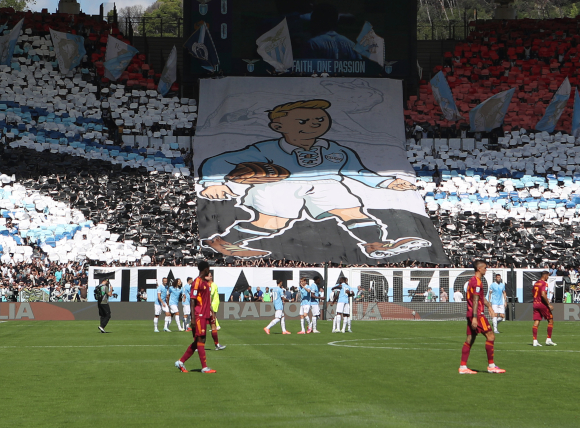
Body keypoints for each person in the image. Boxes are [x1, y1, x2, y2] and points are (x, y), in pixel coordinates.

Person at [198, 100, 426, 260]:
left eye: (319, 118)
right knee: (273, 222)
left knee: (352, 211)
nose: (314, 123)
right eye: (303, 121)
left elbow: (357, 171)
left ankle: (376, 244)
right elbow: (217, 162)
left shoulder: (335, 149)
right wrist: (214, 183)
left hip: (327, 182)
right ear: (278, 127)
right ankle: (221, 242)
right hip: (281, 183)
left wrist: (387, 183)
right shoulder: (264, 149)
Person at [459, 260, 504, 374]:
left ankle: (463, 367)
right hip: (477, 314)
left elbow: (480, 298)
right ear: (479, 269)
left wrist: (489, 306)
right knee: (491, 336)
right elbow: (475, 300)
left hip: (471, 313)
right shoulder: (477, 282)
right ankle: (491, 365)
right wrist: (475, 317)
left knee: (470, 339)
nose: (486, 269)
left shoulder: (471, 281)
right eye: (484, 267)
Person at [175, 262, 216, 374]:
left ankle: (181, 362)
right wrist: (193, 318)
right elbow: (192, 300)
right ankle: (204, 367)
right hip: (199, 316)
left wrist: (211, 312)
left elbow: (206, 300)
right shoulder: (197, 282)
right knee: (201, 340)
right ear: (206, 269)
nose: (209, 271)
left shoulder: (205, 283)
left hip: (204, 315)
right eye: (209, 269)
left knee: (199, 341)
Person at [531, 270, 555, 347]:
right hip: (542, 304)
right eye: (548, 276)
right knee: (550, 320)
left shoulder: (536, 283)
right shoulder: (544, 283)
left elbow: (533, 292)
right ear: (545, 275)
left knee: (536, 322)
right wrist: (548, 304)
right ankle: (548, 339)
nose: (548, 277)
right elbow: (543, 294)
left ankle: (535, 341)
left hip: (535, 304)